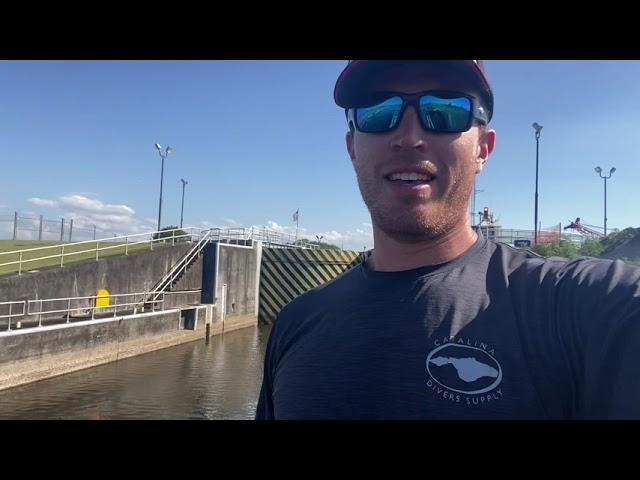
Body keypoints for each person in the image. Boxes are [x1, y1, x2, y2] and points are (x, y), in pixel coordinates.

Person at [255, 60, 640, 419]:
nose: (409, 137)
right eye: (378, 111)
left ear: (483, 149)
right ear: (352, 147)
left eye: (445, 110)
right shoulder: (296, 324)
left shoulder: (574, 307)